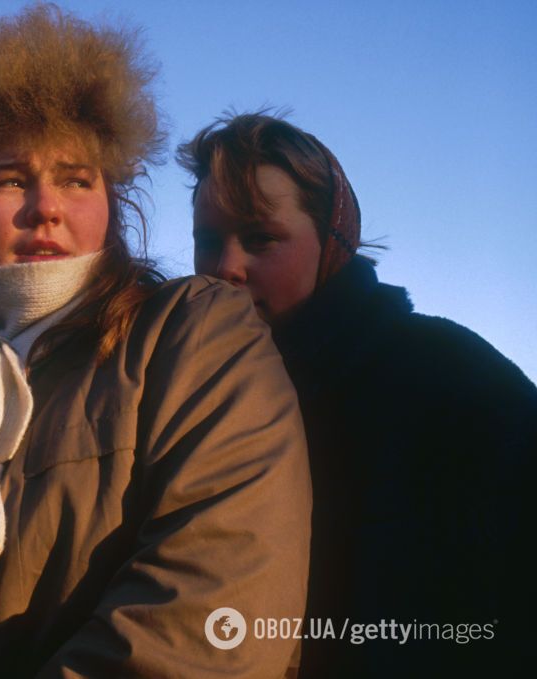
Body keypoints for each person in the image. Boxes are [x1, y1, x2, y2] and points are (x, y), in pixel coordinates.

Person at [0, 9, 312, 679]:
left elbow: (213, 620)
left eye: (76, 178)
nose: (46, 205)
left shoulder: (193, 336)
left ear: (112, 203)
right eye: (10, 178)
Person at [177, 112, 537, 678]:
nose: (226, 268)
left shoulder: (452, 379)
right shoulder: (188, 400)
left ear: (333, 243)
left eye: (261, 238)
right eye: (207, 240)